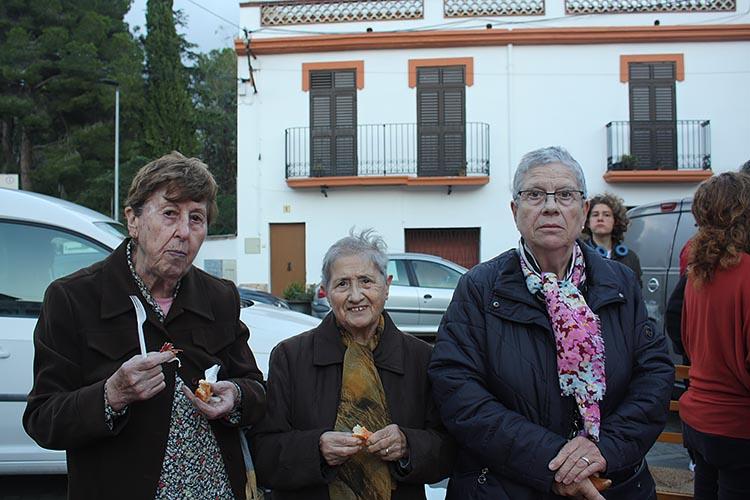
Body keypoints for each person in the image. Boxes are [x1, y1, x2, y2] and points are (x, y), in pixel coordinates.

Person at [428, 146, 674, 500]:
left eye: (565, 195)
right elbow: (457, 389)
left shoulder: (619, 282)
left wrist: (604, 448)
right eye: (534, 194)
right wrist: (551, 461)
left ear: (583, 211)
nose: (550, 206)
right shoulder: (479, 288)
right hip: (504, 487)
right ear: (515, 211)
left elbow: (654, 375)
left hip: (612, 482)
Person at [23, 152, 267, 499]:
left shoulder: (219, 297)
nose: (183, 232)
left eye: (196, 218)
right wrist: (111, 395)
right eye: (170, 214)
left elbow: (256, 389)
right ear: (133, 220)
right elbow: (43, 419)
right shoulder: (73, 299)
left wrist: (237, 396)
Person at [249, 229, 454, 500]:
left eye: (366, 281)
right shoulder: (290, 357)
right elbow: (263, 455)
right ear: (326, 292)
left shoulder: (420, 358)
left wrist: (408, 445)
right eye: (342, 284)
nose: (356, 296)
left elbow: (449, 448)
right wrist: (316, 449)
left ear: (387, 286)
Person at [679, 172, 750, 500]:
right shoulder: (746, 272)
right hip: (737, 425)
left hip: (698, 419)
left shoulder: (698, 272)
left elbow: (686, 339)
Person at [582, 192, 642, 287]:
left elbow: (636, 292)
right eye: (595, 215)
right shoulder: (579, 254)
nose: (600, 218)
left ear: (615, 221)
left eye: (606, 215)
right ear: (587, 222)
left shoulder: (631, 258)